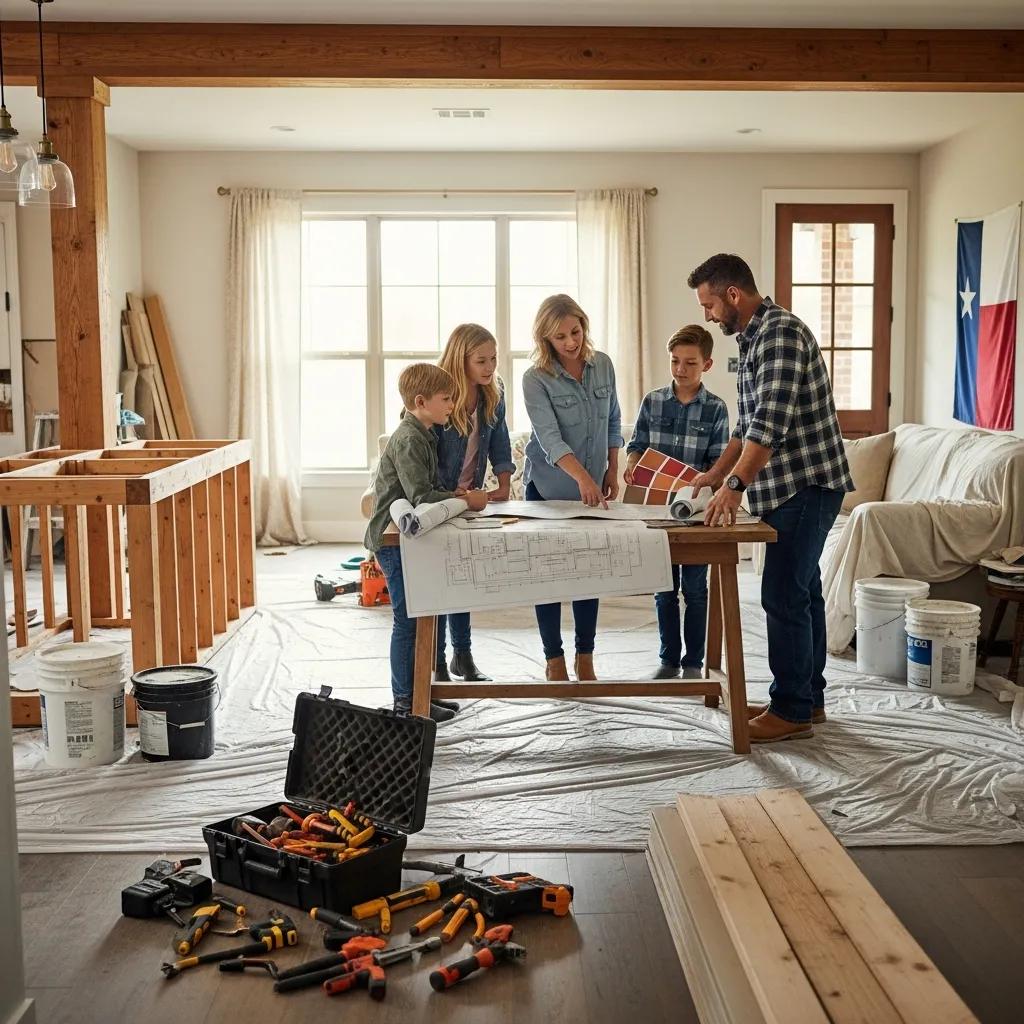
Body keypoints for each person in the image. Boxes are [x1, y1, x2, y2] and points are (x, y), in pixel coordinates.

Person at [687, 253, 853, 743]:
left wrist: (734, 489)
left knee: (781, 593)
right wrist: (714, 476)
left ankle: (791, 710)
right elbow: (745, 426)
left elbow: (769, 427)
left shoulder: (779, 333)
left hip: (806, 484)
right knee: (803, 593)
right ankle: (806, 697)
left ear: (733, 294)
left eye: (710, 304)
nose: (708, 316)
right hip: (791, 486)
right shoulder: (753, 338)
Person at [364, 362, 488, 723]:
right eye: (446, 399)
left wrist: (454, 494)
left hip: (409, 539)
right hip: (392, 541)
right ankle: (406, 701)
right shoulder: (409, 439)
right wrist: (464, 500)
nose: (452, 404)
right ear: (421, 401)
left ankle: (422, 693)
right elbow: (420, 496)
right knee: (407, 619)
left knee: (423, 616)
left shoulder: (424, 433)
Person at [522, 294, 623, 682]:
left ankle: (585, 656)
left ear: (584, 325)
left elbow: (613, 420)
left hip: (594, 488)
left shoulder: (604, 366)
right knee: (546, 577)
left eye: (575, 332)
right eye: (560, 336)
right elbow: (548, 438)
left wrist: (612, 470)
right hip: (548, 490)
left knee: (588, 574)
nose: (570, 342)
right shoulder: (535, 379)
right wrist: (583, 478)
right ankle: (554, 658)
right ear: (546, 338)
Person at [625, 325, 730, 681]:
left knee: (696, 590)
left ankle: (693, 663)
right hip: (656, 512)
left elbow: (718, 464)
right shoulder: (652, 401)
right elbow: (636, 444)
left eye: (690, 363)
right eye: (674, 362)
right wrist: (631, 464)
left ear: (707, 364)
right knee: (664, 588)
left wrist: (705, 482)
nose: (681, 369)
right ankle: (669, 660)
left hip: (697, 511)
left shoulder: (716, 409)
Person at [432, 323, 515, 683]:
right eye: (481, 360)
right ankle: (435, 661)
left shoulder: (492, 393)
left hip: (470, 496)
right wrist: (443, 495)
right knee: (434, 581)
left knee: (462, 573)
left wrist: (505, 481)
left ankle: (462, 656)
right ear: (460, 359)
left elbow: (500, 439)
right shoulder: (437, 393)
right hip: (436, 498)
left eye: (493, 359)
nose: (490, 367)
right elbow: (420, 449)